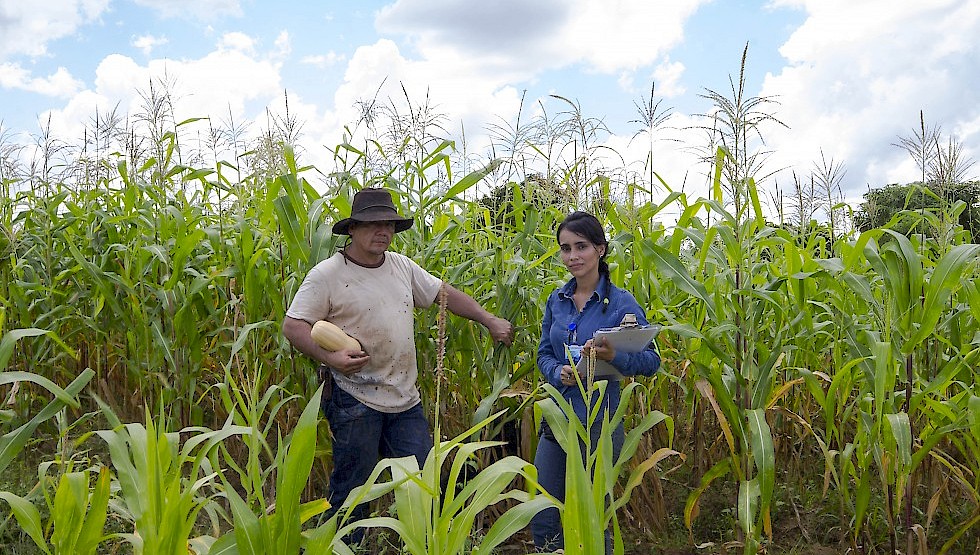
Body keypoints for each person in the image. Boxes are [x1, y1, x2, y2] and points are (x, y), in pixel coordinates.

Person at [282, 187, 514, 541]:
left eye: (389, 224)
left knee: (421, 482)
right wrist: (331, 358)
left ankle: (423, 545)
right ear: (353, 230)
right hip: (353, 399)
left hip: (406, 399)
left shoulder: (401, 266)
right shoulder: (327, 275)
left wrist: (489, 320)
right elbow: (294, 325)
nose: (383, 231)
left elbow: (443, 295)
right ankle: (347, 547)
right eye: (373, 224)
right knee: (352, 490)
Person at [530, 210, 661, 551]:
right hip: (556, 422)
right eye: (565, 248)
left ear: (600, 249)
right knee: (544, 514)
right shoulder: (556, 301)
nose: (572, 256)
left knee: (594, 516)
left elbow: (651, 361)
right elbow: (543, 353)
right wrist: (557, 372)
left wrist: (612, 357)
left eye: (581, 246)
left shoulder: (621, 304)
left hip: (599, 425)